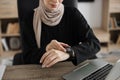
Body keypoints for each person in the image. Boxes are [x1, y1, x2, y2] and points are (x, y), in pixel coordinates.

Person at [13, 0, 100, 68]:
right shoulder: (29, 18)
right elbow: (27, 56)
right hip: (42, 68)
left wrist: (69, 52)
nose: (55, 0)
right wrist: (46, 48)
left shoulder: (73, 14)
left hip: (71, 67)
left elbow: (94, 43)